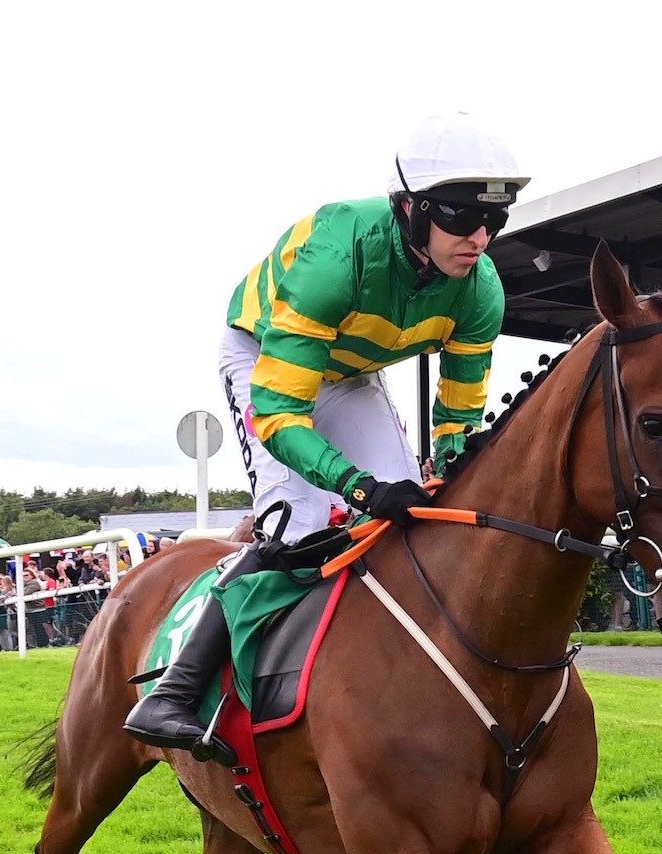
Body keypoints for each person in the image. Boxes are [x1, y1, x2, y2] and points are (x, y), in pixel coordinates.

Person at [128, 112, 523, 760]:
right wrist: (360, 487)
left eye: (495, 219)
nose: (479, 237)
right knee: (302, 518)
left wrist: (450, 463)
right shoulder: (339, 253)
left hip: (349, 371)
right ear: (411, 207)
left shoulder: (481, 291)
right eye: (460, 216)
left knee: (417, 516)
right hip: (265, 356)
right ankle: (175, 689)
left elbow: (457, 422)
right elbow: (282, 415)